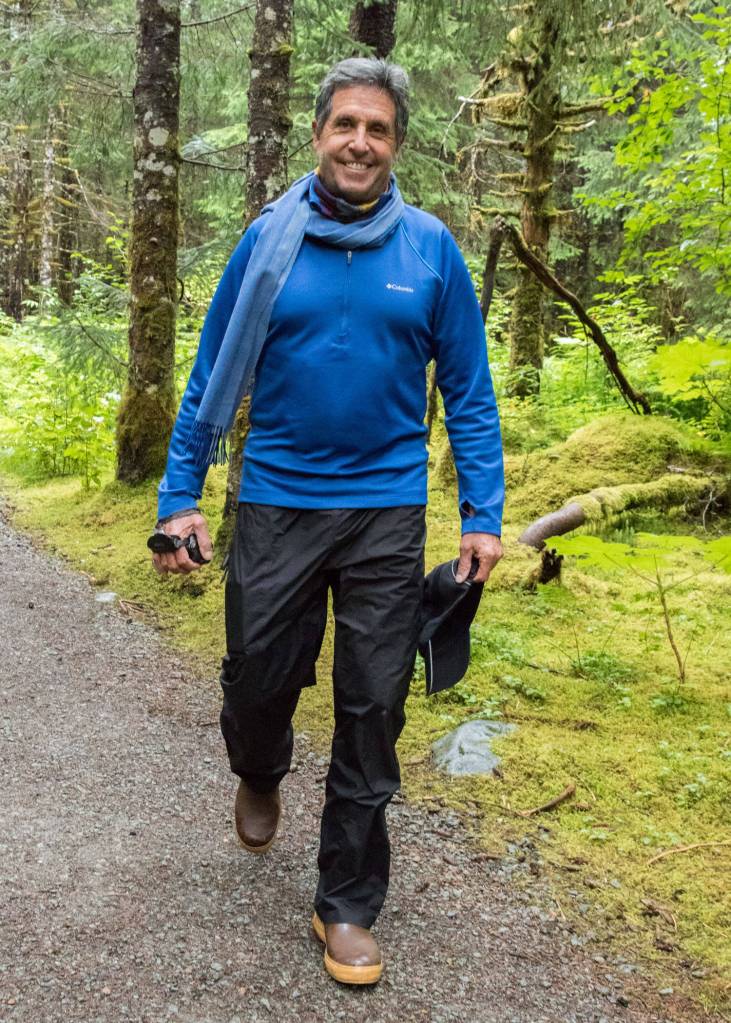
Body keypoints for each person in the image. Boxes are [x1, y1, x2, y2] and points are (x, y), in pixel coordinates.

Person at [151, 57, 504, 986]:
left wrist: (481, 513)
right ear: (319, 134)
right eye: (345, 124)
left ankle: (345, 902)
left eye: (377, 129)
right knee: (261, 675)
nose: (359, 142)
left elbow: (468, 391)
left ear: (395, 144)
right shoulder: (268, 240)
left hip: (386, 511)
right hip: (273, 500)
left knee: (371, 707)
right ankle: (260, 764)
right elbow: (209, 378)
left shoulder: (430, 250)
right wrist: (177, 497)